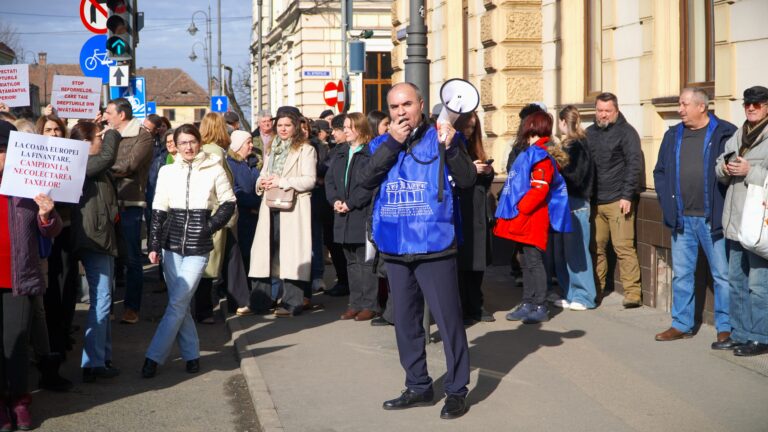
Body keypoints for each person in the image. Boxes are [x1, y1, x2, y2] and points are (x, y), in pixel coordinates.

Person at [358, 82, 476, 419]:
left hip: (434, 244)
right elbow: (364, 184)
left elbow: (467, 180)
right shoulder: (381, 143)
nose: (400, 112)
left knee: (448, 320)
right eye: (394, 107)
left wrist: (452, 147)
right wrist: (392, 144)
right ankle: (418, 385)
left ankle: (456, 390)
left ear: (421, 105)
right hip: (396, 245)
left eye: (406, 105)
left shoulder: (444, 135)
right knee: (405, 323)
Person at [142, 124, 236, 378]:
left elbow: (228, 203)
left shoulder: (214, 167)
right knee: (179, 303)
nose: (188, 147)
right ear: (175, 145)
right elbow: (158, 208)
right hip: (171, 244)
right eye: (182, 143)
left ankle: (153, 356)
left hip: (199, 244)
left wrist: (208, 227)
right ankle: (192, 355)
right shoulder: (167, 171)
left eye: (192, 141)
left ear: (199, 142)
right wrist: (153, 244)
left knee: (177, 302)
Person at [652, 88, 736, 343]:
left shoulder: (725, 132)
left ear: (702, 107)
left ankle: (726, 326)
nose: (679, 109)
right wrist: (667, 203)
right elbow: (660, 172)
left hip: (713, 219)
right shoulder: (673, 135)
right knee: (682, 274)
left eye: (684, 104)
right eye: (679, 104)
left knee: (722, 275)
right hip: (682, 218)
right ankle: (681, 323)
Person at [0, 119, 63, 430]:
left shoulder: (28, 184)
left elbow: (51, 230)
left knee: (17, 341)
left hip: (18, 276)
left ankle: (19, 401)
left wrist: (46, 214)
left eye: (1, 151)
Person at [495, 111, 571, 324]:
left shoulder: (541, 155)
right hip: (525, 216)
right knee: (526, 261)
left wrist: (520, 207)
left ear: (531, 127)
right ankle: (528, 302)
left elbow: (539, 189)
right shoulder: (534, 152)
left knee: (534, 262)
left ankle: (540, 305)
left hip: (533, 217)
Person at [247, 109, 317, 317]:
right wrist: (262, 182)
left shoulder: (306, 150)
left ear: (295, 127)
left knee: (292, 256)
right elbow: (262, 174)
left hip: (293, 209)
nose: (283, 129)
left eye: (287, 125)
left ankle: (291, 303)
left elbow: (309, 180)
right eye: (280, 126)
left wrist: (282, 182)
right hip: (270, 207)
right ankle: (260, 302)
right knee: (264, 255)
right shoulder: (272, 148)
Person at [715, 85, 768, 356]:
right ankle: (739, 333)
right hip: (736, 220)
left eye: (757, 104)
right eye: (747, 104)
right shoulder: (738, 134)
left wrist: (750, 171)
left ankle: (760, 337)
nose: (750, 108)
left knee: (758, 284)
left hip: (759, 223)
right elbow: (718, 164)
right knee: (736, 280)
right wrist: (724, 168)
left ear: (767, 106)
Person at [69, 122, 123, 382]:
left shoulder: (90, 164)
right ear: (86, 143)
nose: (102, 140)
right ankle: (93, 363)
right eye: (99, 137)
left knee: (105, 297)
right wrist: (114, 130)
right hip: (94, 239)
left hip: (101, 236)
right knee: (101, 300)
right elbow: (108, 156)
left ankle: (102, 357)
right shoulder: (81, 164)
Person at [586, 92, 643, 308]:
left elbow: (633, 164)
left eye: (607, 111)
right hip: (595, 201)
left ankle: (632, 293)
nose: (603, 115)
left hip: (619, 200)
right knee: (597, 247)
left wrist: (627, 195)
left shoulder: (627, 133)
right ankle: (597, 289)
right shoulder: (589, 133)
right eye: (599, 111)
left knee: (623, 247)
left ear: (616, 111)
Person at [106, 97, 155, 324]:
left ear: (121, 115)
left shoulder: (143, 136)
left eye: (108, 112)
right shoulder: (107, 133)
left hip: (131, 204)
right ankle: (107, 307)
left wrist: (101, 166)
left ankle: (132, 307)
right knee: (108, 258)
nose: (105, 116)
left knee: (132, 259)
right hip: (107, 202)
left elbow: (129, 165)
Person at [325, 112, 378, 321]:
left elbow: (369, 184)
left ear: (360, 129)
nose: (344, 130)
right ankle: (354, 304)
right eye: (344, 127)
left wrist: (351, 203)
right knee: (351, 263)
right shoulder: (339, 152)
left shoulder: (369, 153)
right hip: (342, 215)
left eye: (348, 127)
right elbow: (330, 181)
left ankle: (370, 305)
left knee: (365, 261)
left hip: (360, 213)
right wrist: (335, 200)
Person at [551, 105, 598, 311]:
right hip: (565, 204)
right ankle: (570, 293)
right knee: (563, 253)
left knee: (577, 252)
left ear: (562, 122)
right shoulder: (568, 143)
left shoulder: (577, 145)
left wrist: (558, 168)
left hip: (576, 203)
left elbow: (576, 177)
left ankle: (585, 296)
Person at [454, 111, 496, 324]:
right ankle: (464, 306)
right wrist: (472, 169)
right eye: (467, 127)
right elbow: (455, 175)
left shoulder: (473, 146)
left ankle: (476, 304)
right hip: (461, 210)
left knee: (477, 262)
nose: (469, 132)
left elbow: (486, 183)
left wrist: (487, 171)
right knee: (462, 263)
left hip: (478, 211)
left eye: (473, 127)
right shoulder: (454, 146)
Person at [226, 130, 261, 272]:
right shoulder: (230, 164)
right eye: (248, 143)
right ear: (238, 145)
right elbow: (235, 190)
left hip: (255, 216)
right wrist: (256, 203)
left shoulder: (253, 163)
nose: (251, 145)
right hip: (241, 216)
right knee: (242, 254)